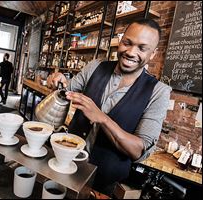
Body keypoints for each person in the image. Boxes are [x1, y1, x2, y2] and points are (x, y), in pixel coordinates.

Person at [47, 18, 172, 196]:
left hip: (103, 184)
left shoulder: (159, 92)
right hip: (65, 163)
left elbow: (138, 150)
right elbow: (66, 89)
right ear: (120, 41)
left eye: (142, 48)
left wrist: (103, 118)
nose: (130, 52)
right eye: (127, 43)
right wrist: (58, 80)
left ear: (153, 53)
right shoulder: (95, 67)